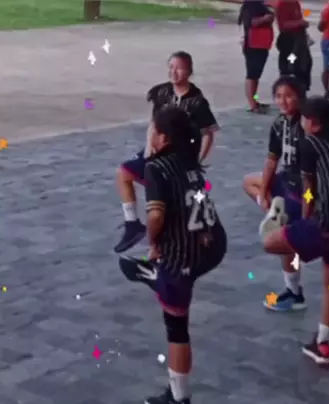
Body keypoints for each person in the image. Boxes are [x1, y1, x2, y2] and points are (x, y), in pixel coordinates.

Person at [120, 107, 227, 404]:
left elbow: (156, 216)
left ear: (164, 138)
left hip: (183, 256)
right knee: (177, 298)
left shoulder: (156, 168)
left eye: (152, 130)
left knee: (177, 328)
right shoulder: (190, 162)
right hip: (214, 244)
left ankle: (179, 398)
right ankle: (157, 273)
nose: (149, 135)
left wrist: (153, 243)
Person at [262, 97, 329, 366]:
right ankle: (322, 344)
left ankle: (296, 278)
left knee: (270, 241)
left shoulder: (309, 144)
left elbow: (309, 191)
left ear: (314, 123)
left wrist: (305, 222)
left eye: (304, 120)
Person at [114, 51, 219, 254]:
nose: (173, 72)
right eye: (171, 67)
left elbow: (208, 133)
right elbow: (153, 123)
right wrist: (149, 148)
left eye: (179, 68)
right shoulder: (162, 93)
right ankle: (132, 223)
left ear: (189, 71)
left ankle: (172, 242)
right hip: (157, 150)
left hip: (180, 157)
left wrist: (197, 160)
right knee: (123, 172)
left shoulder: (197, 101)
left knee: (172, 198)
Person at [242, 76, 307, 311]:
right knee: (250, 181)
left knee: (285, 243)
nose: (283, 101)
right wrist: (264, 195)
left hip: (303, 190)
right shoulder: (279, 123)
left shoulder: (308, 123)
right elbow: (272, 160)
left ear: (299, 97)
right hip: (285, 181)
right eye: (278, 96)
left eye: (288, 95)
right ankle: (274, 211)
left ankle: (294, 293)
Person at [238, 0, 275, 113]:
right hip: (253, 45)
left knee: (256, 76)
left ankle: (255, 99)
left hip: (261, 44)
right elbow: (250, 22)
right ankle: (252, 104)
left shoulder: (261, 4)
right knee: (252, 75)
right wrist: (265, 18)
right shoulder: (251, 5)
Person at [275, 0, 313, 92]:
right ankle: (287, 90)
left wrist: (302, 24)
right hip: (289, 41)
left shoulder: (295, 3)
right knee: (290, 65)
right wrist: (299, 23)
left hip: (299, 40)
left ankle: (302, 89)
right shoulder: (283, 4)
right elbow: (283, 25)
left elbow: (297, 19)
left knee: (305, 64)